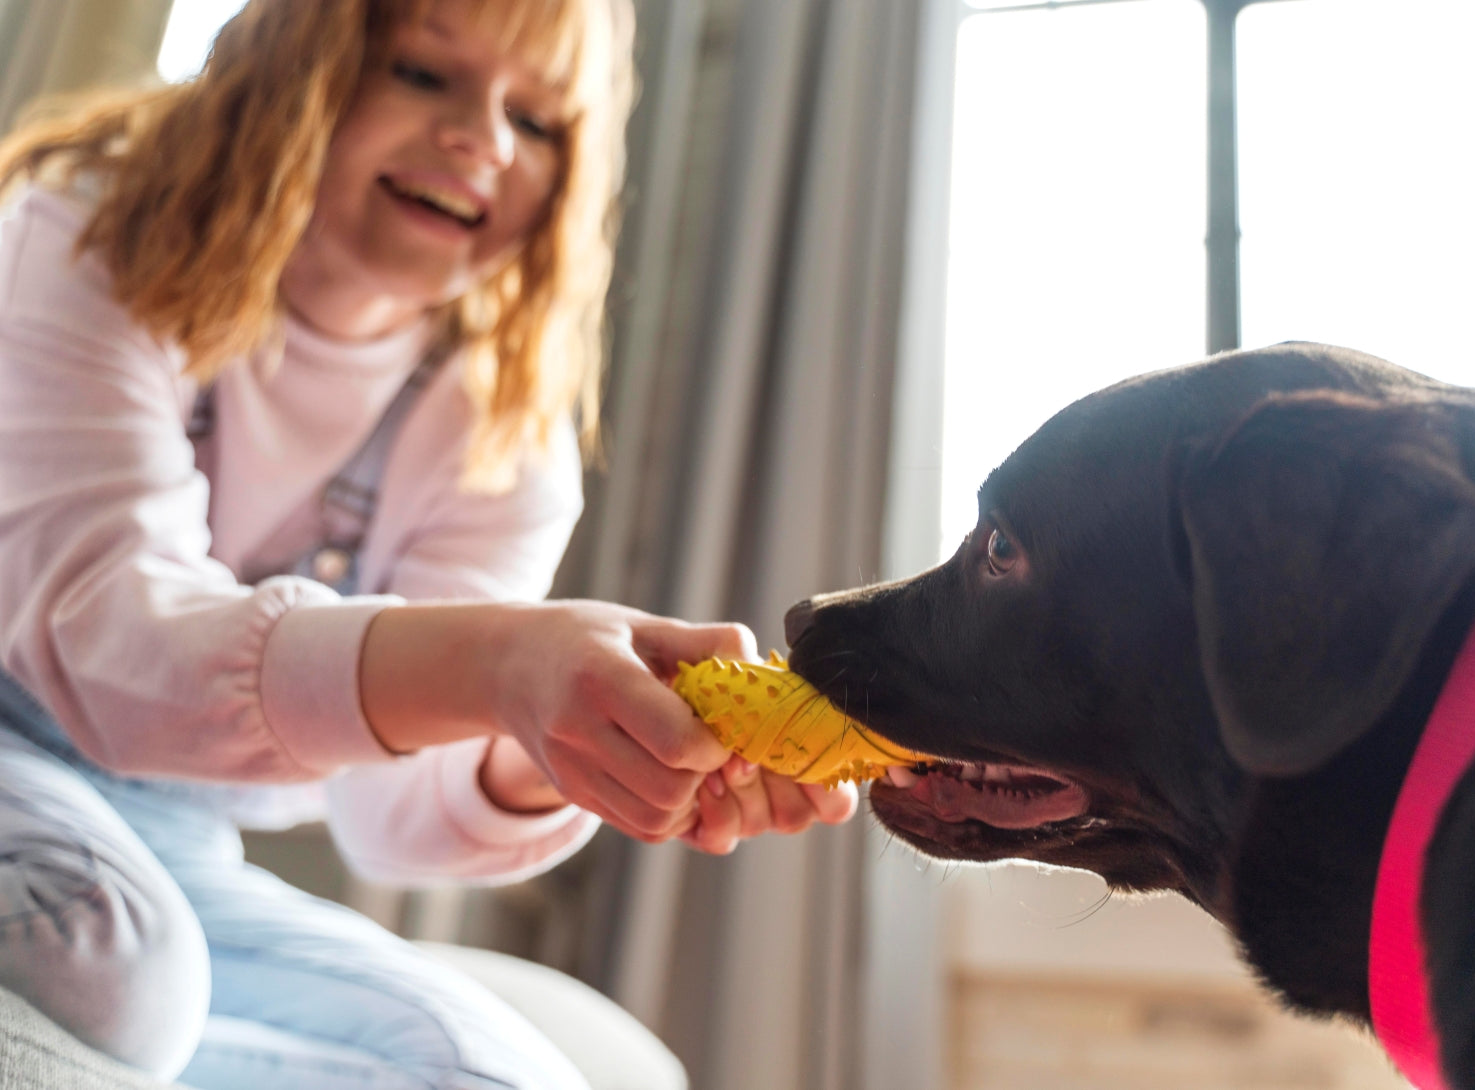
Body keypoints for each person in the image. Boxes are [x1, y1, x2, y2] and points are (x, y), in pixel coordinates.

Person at [0, 0, 858, 1086]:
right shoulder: (80, 238)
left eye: (536, 121)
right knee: (109, 953)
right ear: (288, 64)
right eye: (421, 72)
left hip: (170, 838)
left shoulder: (496, 427)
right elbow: (107, 649)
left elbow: (390, 812)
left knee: (495, 1072)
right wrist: (499, 662)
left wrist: (564, 736)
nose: (483, 140)